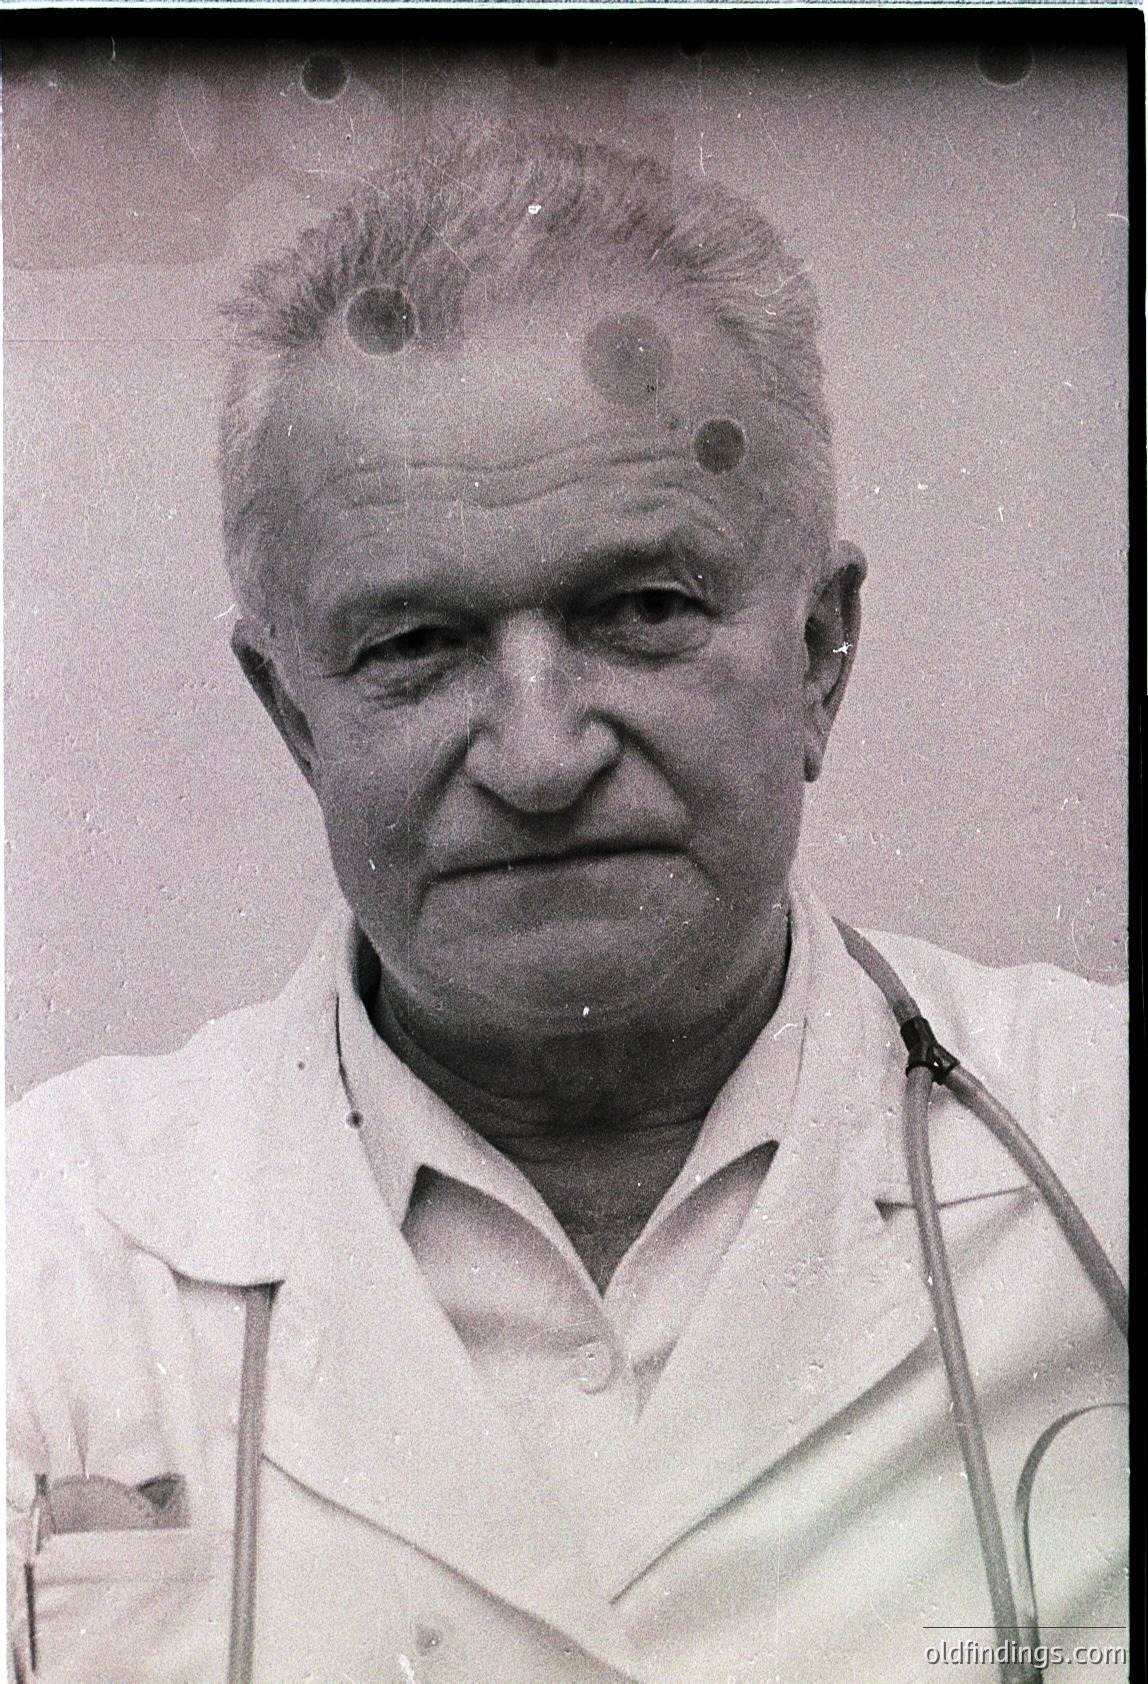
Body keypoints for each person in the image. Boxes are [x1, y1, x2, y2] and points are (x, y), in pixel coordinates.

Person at [7, 131, 1127, 1684]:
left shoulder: (1103, 1156)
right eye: (412, 642)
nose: (539, 757)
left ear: (819, 652)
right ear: (290, 713)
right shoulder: (48, 1252)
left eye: (644, 611)